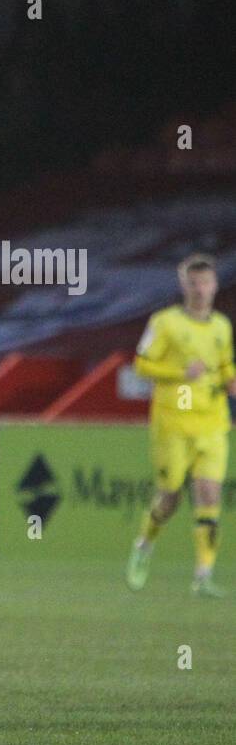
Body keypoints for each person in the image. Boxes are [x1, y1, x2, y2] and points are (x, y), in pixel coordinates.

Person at [127, 254, 235, 596]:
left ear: (215, 285)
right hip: (173, 422)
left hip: (212, 423)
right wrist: (179, 374)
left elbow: (224, 364)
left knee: (209, 494)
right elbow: (141, 364)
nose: (201, 290)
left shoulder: (222, 326)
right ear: (183, 286)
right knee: (169, 497)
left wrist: (231, 380)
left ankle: (203, 575)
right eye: (194, 283)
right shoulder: (165, 323)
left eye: (206, 282)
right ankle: (143, 545)